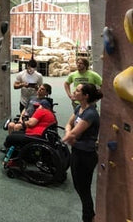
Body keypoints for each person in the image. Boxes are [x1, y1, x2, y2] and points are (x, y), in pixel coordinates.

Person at [62, 83, 102, 222]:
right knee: (79, 187)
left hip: (86, 156)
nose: (74, 91)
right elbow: (69, 125)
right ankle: (90, 216)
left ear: (86, 96)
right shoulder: (79, 108)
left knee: (84, 190)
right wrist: (69, 133)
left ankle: (89, 218)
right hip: (77, 152)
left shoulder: (90, 113)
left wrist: (68, 136)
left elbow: (73, 134)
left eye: (78, 90)